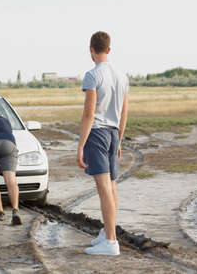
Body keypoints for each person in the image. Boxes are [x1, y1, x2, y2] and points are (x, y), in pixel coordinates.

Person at [76, 31, 129, 256]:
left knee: (104, 187)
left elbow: (89, 113)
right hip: (114, 133)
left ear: (91, 50)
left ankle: (110, 242)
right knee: (111, 186)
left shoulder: (92, 75)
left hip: (97, 133)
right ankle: (108, 233)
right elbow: (124, 111)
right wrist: (119, 139)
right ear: (109, 49)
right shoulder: (122, 76)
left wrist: (80, 146)